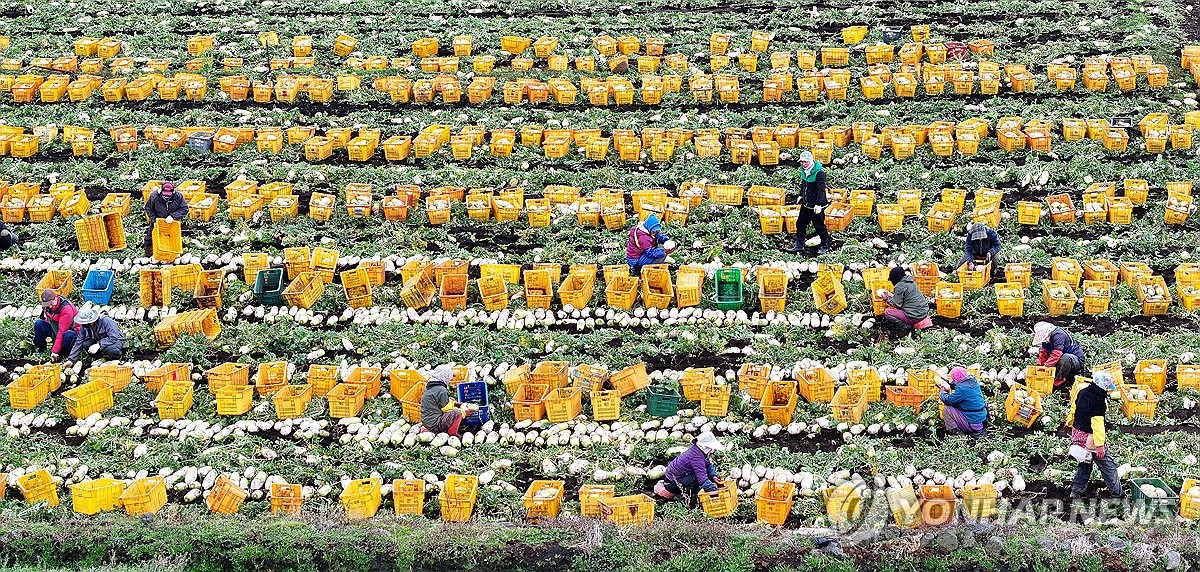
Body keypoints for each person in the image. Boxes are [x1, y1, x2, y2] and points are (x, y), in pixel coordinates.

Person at [1066, 371, 1122, 499]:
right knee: (1108, 466)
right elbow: (1097, 424)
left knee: (1085, 462)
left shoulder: (1083, 392)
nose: (1108, 390)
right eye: (1108, 387)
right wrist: (1100, 445)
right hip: (1090, 438)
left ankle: (1076, 490)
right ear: (1103, 386)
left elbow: (1074, 409)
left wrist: (1069, 423)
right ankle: (1118, 495)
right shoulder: (1098, 401)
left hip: (1078, 434)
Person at [654, 431, 724, 500]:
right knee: (698, 478)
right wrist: (716, 492)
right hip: (672, 483)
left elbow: (708, 465)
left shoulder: (698, 451)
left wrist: (714, 475)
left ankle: (689, 491)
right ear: (705, 447)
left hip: (678, 477)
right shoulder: (696, 457)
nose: (712, 449)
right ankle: (683, 495)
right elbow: (703, 480)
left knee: (705, 474)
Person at [785, 150, 831, 255]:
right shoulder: (804, 170)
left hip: (816, 205)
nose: (803, 164)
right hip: (806, 204)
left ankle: (824, 245)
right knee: (800, 224)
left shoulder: (819, 172)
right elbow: (804, 184)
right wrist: (801, 194)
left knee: (819, 226)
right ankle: (799, 245)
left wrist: (819, 204)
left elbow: (821, 190)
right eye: (801, 162)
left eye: (805, 162)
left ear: (811, 161)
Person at [420, 365, 475, 436]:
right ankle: (452, 433)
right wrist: (463, 412)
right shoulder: (441, 390)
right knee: (457, 413)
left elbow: (441, 402)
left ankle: (429, 429)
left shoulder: (430, 387)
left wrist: (455, 404)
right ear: (445, 377)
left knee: (451, 400)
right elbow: (447, 409)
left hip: (427, 422)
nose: (450, 380)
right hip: (435, 424)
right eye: (449, 377)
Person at [143, 181, 189, 257]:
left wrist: (173, 216)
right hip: (158, 220)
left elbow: (184, 209)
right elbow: (148, 208)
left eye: (168, 196)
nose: (166, 198)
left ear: (173, 192)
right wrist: (154, 220)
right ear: (161, 191)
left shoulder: (178, 196)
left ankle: (173, 253)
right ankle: (148, 253)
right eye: (165, 196)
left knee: (173, 238)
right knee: (150, 237)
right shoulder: (154, 196)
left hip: (172, 222)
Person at [938, 367, 988, 437]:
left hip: (973, 422)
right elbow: (960, 386)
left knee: (947, 409)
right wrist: (949, 383)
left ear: (955, 378)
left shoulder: (962, 390)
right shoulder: (973, 382)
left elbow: (948, 400)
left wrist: (942, 392)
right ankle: (977, 431)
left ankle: (958, 436)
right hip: (981, 419)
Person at [880, 267, 933, 331]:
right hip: (923, 312)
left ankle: (906, 326)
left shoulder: (899, 286)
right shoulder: (911, 281)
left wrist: (887, 298)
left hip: (914, 316)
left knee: (888, 313)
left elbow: (897, 305)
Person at [1033, 321, 1085, 387]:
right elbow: (1043, 353)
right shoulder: (1046, 338)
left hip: (1076, 360)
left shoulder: (1058, 335)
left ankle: (1058, 381)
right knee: (1058, 359)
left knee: (1065, 358)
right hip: (1061, 359)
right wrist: (1040, 366)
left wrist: (1046, 366)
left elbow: (1057, 354)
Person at [32, 289, 78, 362]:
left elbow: (62, 331)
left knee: (69, 335)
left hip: (69, 331)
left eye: (51, 303)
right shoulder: (47, 306)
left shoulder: (66, 309)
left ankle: (62, 355)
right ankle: (41, 350)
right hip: (56, 328)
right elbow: (47, 318)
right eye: (47, 304)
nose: (50, 306)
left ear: (56, 298)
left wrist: (55, 351)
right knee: (39, 324)